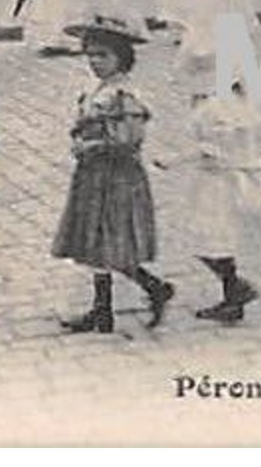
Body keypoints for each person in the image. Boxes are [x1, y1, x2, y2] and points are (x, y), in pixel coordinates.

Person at [50, 16, 175, 333]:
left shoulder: (124, 96)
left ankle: (152, 288)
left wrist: (90, 145)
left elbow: (127, 140)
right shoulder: (97, 91)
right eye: (90, 55)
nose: (95, 62)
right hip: (92, 176)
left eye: (103, 55)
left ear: (122, 57)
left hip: (117, 177)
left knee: (111, 239)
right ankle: (103, 310)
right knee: (94, 240)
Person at [156, 72, 261, 323]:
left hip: (219, 182)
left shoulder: (215, 106)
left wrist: (173, 160)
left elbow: (211, 149)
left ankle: (234, 291)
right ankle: (233, 294)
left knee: (207, 240)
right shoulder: (234, 102)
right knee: (215, 241)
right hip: (228, 179)